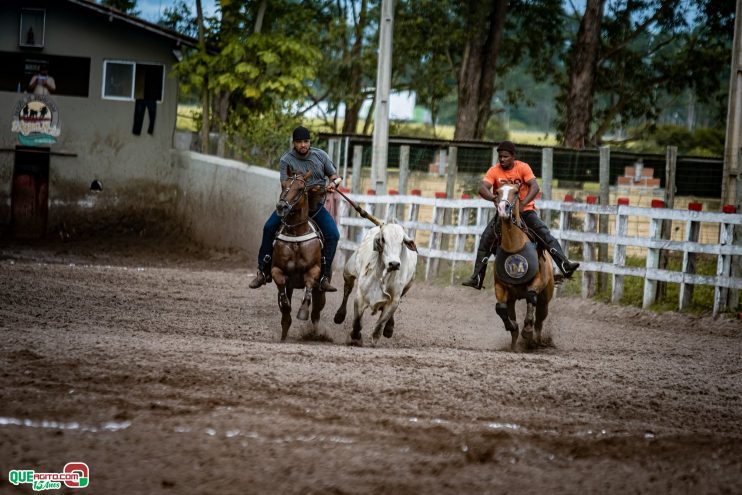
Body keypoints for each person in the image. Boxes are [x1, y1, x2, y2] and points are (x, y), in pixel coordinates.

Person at [462, 140, 580, 289]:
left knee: (544, 233)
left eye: (505, 156)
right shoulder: (494, 171)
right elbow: (483, 188)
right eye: (500, 156)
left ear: (513, 156)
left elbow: (535, 187)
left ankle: (565, 265)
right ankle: (477, 278)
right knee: (486, 239)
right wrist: (494, 198)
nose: (502, 159)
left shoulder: (523, 167)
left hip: (525, 211)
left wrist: (524, 204)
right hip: (504, 214)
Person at [249, 126, 341, 292]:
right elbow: (285, 184)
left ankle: (324, 276)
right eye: (299, 142)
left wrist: (333, 184)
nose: (303, 145)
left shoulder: (321, 156)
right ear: (294, 143)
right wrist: (306, 187)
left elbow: (335, 176)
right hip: (291, 207)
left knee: (333, 234)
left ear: (309, 142)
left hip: (315, 206)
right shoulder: (286, 160)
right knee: (269, 227)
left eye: (306, 141)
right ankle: (263, 270)